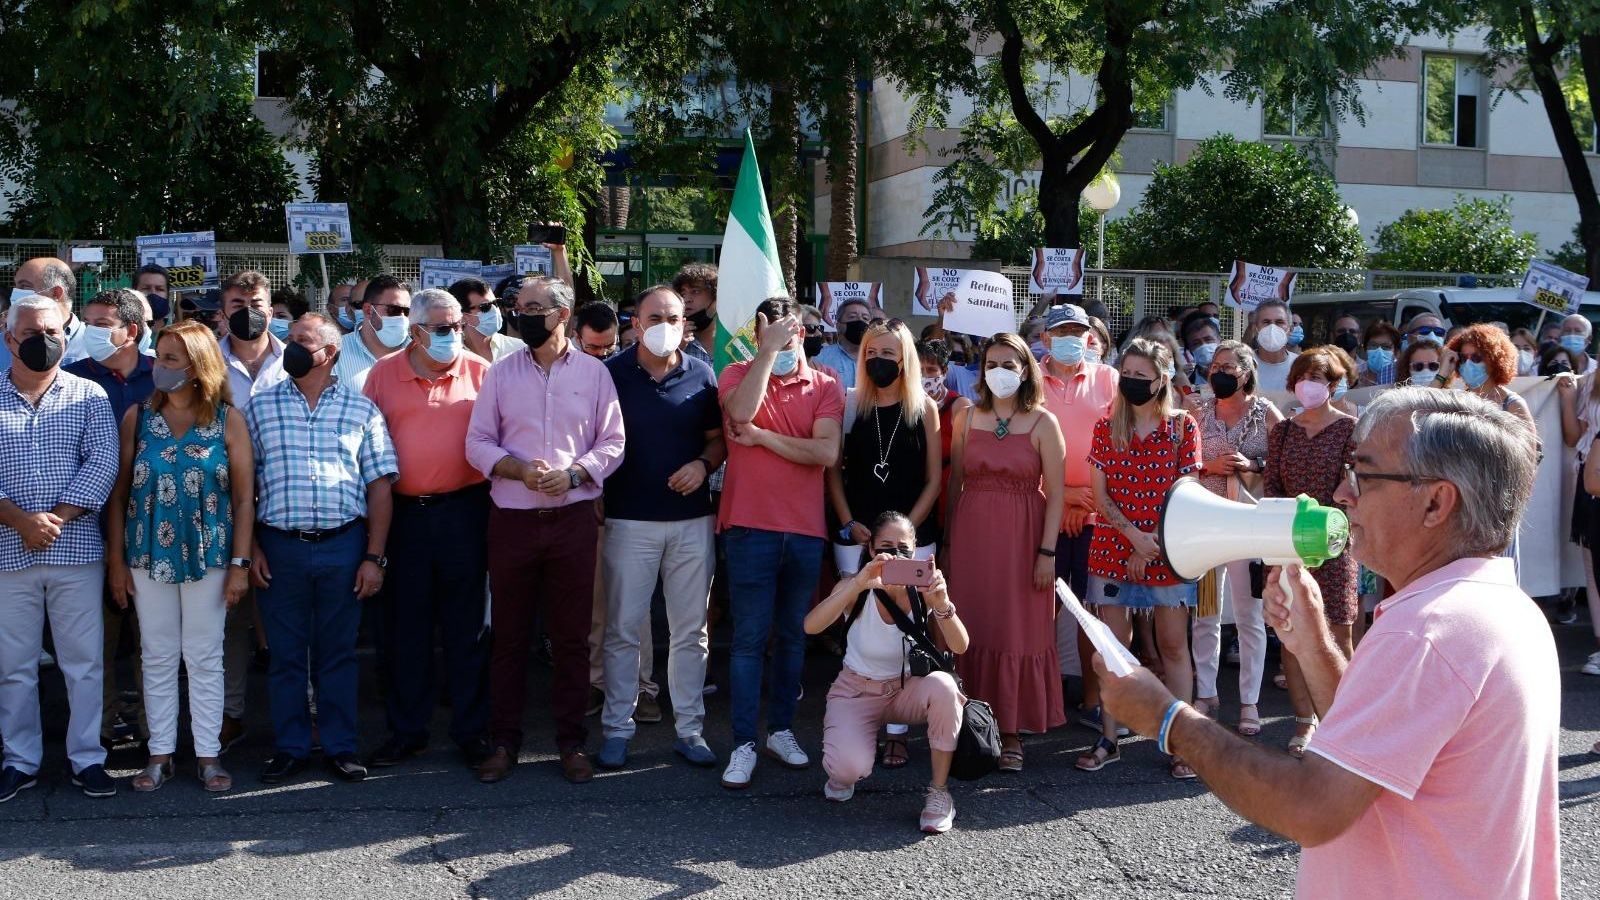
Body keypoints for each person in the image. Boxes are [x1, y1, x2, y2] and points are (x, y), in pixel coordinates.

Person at [1098, 388, 1558, 900]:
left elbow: (1312, 807)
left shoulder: (1427, 631)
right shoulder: (1502, 607)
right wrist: (1314, 645)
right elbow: (1374, 749)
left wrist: (1168, 719)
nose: (1343, 493)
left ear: (1436, 501)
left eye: (1363, 474)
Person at [465, 276, 625, 786]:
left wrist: (576, 474)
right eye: (520, 307)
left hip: (573, 520)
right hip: (512, 519)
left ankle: (571, 743)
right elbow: (477, 442)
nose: (523, 314)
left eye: (535, 307)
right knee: (508, 638)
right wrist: (516, 469)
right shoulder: (501, 374)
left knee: (572, 639)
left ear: (562, 314)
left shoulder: (597, 374)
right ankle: (504, 741)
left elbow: (613, 442)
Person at [247, 313, 397, 785]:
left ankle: (340, 747)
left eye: (301, 341)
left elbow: (380, 487)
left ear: (330, 353)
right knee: (286, 655)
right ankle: (290, 747)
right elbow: (242, 487)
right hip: (280, 545)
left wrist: (374, 557)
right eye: (289, 340)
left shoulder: (361, 410)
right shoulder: (258, 408)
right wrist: (251, 548)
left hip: (343, 546)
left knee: (338, 653)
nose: (289, 347)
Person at [105, 321, 253, 793]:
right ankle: (160, 755)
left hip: (211, 555)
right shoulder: (137, 417)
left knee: (206, 656)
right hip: (148, 555)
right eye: (159, 356)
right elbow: (119, 494)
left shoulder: (228, 419)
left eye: (170, 359)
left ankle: (208, 755)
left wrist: (240, 565)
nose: (159, 367)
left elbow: (245, 500)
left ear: (197, 367)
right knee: (158, 654)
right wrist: (116, 562)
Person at [360, 290, 493, 771]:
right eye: (441, 328)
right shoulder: (382, 374)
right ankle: (407, 731)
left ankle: (472, 731)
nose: (452, 335)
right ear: (415, 331)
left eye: (457, 325)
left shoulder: (481, 372)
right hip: (403, 517)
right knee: (405, 628)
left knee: (467, 627)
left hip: (466, 511)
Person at [716, 296, 844, 789]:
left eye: (787, 334)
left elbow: (826, 452)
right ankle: (744, 742)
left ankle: (781, 730)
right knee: (748, 639)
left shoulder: (826, 385)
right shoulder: (736, 374)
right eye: (769, 333)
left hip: (805, 531)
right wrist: (765, 353)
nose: (781, 342)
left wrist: (764, 439)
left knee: (793, 636)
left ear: (804, 333)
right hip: (749, 527)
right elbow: (741, 411)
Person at [597, 285, 726, 770]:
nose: (666, 326)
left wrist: (701, 463)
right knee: (624, 630)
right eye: (655, 317)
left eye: (675, 317)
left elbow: (717, 441)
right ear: (635, 323)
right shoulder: (608, 375)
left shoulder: (701, 373)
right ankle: (616, 728)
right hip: (628, 521)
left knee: (690, 632)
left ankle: (690, 730)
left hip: (692, 522)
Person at [0, 294, 120, 802]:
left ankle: (87, 759)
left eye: (52, 333)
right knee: (14, 667)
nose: (43, 342)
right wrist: (22, 522)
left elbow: (103, 464)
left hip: (75, 553)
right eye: (31, 334)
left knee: (84, 662)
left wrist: (54, 520)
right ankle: (19, 761)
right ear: (9, 340)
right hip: (9, 552)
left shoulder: (89, 395)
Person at [1074, 337, 1200, 779]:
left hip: (1169, 548)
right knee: (1114, 651)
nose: (1130, 383)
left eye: (1140, 377)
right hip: (1113, 549)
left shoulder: (1183, 427)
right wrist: (1133, 540)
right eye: (1125, 374)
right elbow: (1101, 497)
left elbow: (1187, 494)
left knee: (1171, 647)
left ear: (1162, 380)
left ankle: (1182, 741)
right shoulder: (1105, 428)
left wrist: (1152, 544)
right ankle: (1110, 736)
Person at [945, 332, 1066, 773]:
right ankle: (966, 723)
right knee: (971, 625)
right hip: (973, 537)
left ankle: (1012, 731)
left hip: (1023, 540)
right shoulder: (966, 417)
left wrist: (1047, 553)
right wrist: (948, 543)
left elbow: (1055, 495)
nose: (999, 372)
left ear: (1025, 370)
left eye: (1009, 364)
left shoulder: (1042, 423)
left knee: (1015, 630)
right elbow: (956, 482)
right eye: (991, 364)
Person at [806, 512, 969, 835]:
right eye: (886, 547)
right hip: (856, 690)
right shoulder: (856, 586)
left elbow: (960, 645)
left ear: (917, 552)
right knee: (847, 770)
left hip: (907, 690)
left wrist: (942, 603)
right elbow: (811, 626)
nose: (895, 556)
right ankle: (843, 768)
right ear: (870, 550)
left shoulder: (922, 589)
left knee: (944, 687)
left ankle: (939, 794)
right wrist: (856, 584)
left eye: (904, 549)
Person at [65, 289, 157, 749]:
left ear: (132, 331)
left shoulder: (163, 377)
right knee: (95, 643)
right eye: (88, 322)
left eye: (102, 323)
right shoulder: (73, 380)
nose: (91, 332)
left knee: (151, 645)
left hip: (154, 529)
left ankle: (152, 735)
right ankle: (97, 737)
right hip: (90, 528)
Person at [1265, 347, 1357, 757]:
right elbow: (1272, 487)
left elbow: (1355, 490)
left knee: (1339, 629)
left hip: (1336, 544)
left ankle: (1346, 720)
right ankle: (1305, 721)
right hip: (1289, 543)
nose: (1309, 385)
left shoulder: (1352, 429)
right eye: (1303, 378)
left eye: (1319, 378)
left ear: (1334, 385)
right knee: (1290, 631)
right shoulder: (1282, 431)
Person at [1190, 342, 1282, 735]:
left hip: (1248, 527)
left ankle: (1249, 702)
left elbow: (1281, 465)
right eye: (1214, 366)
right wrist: (1206, 465)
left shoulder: (1268, 414)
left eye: (1227, 366)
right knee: (1205, 614)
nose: (1218, 373)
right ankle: (1206, 693)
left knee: (1249, 617)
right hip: (1208, 526)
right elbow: (1181, 463)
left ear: (1246, 373)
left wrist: (1253, 464)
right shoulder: (1197, 413)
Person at [1037, 304, 1118, 732]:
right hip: (1041, 512)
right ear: (1045, 338)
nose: (1072, 337)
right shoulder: (1029, 379)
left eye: (1079, 331)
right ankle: (1040, 699)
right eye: (1061, 330)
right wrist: (1061, 496)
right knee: (1039, 608)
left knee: (1091, 612)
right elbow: (1018, 444)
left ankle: (1092, 700)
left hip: (1096, 516)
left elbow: (1121, 443)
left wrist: (1084, 502)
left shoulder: (1109, 379)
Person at [826, 319, 941, 573]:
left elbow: (934, 481)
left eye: (888, 353)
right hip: (856, 536)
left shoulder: (925, 408)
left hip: (912, 539)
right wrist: (849, 522)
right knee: (854, 610)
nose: (878, 359)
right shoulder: (851, 404)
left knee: (907, 610)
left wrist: (905, 532)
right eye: (871, 352)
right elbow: (833, 472)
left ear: (904, 360)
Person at [332, 275, 411, 393]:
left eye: (406, 311)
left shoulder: (419, 353)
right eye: (393, 310)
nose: (402, 318)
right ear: (368, 310)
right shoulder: (335, 353)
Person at [1440, 324, 1532, 424]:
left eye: (1476, 358)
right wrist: (1443, 373)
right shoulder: (1457, 399)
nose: (1468, 363)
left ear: (1495, 360)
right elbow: (1422, 412)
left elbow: (1529, 440)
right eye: (1463, 358)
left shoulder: (1513, 405)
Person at [10, 257, 87, 367]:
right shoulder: (4, 342)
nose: (16, 293)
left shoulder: (95, 344)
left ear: (56, 293)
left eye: (25, 286)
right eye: (16, 286)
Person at [814, 298, 884, 391]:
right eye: (852, 317)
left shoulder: (880, 359)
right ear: (838, 325)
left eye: (865, 318)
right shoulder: (821, 358)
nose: (860, 320)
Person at [448, 277, 520, 363]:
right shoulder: (451, 355)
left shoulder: (519, 350)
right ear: (461, 315)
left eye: (496, 303)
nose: (494, 310)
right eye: (485, 307)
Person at [674, 262, 718, 366]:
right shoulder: (674, 343)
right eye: (683, 293)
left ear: (716, 298)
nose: (686, 299)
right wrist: (675, 350)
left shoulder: (731, 338)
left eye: (695, 291)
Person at [1250, 300, 1296, 393]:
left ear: (1290, 329)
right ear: (1255, 329)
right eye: (1266, 322)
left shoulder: (1302, 366)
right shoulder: (1243, 365)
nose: (1272, 327)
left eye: (1279, 322)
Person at [1355, 321, 1401, 387]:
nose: (1379, 351)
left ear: (1396, 352)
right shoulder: (1353, 375)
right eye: (1373, 345)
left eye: (1386, 346)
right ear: (1365, 349)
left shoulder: (1403, 377)